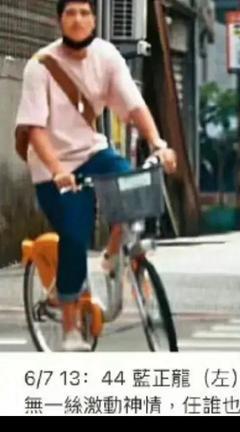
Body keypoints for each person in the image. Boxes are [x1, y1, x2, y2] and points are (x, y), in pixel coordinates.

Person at [14, 0, 177, 351]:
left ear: (93, 20)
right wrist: (58, 170)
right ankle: (71, 328)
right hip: (51, 166)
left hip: (92, 153)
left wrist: (158, 144)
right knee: (75, 237)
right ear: (60, 20)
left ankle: (111, 255)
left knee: (133, 187)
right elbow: (34, 130)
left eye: (85, 13)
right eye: (70, 13)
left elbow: (134, 106)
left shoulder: (106, 56)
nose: (78, 20)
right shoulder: (39, 66)